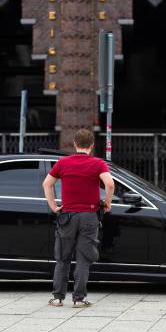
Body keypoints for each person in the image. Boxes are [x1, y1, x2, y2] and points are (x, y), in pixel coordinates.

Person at [42, 129, 115, 308]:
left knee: (63, 258)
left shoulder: (63, 162)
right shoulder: (98, 163)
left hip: (67, 216)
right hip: (89, 217)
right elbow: (110, 184)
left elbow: (47, 184)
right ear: (91, 145)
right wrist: (107, 202)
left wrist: (53, 206)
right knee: (83, 258)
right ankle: (79, 299)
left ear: (75, 144)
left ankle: (58, 298)